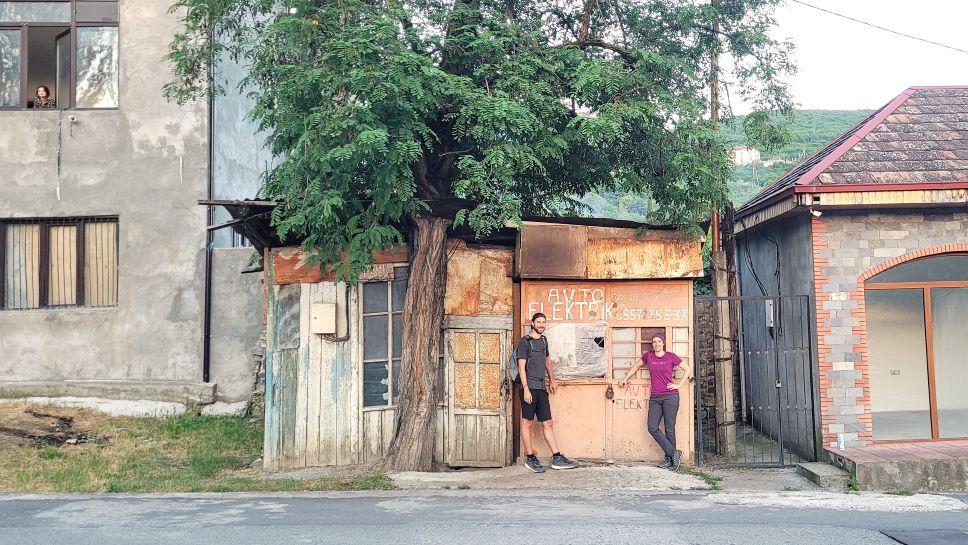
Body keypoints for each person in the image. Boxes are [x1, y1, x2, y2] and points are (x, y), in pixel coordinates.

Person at [618, 332, 693, 471]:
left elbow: (688, 369)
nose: (657, 344)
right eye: (654, 342)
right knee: (652, 427)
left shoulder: (671, 356)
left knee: (670, 428)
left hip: (670, 396)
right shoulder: (649, 356)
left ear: (663, 343)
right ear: (652, 344)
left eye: (659, 341)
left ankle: (669, 460)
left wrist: (678, 384)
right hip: (656, 397)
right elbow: (636, 366)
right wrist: (625, 379)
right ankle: (674, 453)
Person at [517, 312, 579, 473]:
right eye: (538, 322)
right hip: (529, 388)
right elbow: (521, 367)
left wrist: (552, 379)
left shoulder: (544, 340)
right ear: (532, 323)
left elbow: (547, 361)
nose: (541, 325)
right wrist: (525, 389)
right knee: (527, 423)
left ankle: (557, 457)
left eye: (543, 322)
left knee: (547, 423)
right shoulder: (525, 342)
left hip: (541, 387)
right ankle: (530, 458)